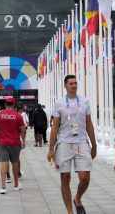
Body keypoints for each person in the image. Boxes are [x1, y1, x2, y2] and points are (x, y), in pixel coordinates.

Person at [47, 75, 97, 214]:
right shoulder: (59, 103)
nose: (74, 85)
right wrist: (51, 149)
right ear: (65, 86)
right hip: (64, 142)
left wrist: (94, 144)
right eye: (70, 83)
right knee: (65, 177)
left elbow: (89, 124)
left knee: (85, 176)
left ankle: (78, 198)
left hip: (81, 141)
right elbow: (55, 126)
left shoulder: (84, 101)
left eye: (75, 83)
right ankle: (70, 211)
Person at [0, 97, 26, 194]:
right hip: (15, 143)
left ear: (5, 104)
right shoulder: (18, 116)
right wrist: (23, 141)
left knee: (4, 163)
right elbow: (23, 130)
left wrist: (2, 130)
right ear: (14, 105)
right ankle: (16, 184)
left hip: (3, 142)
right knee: (15, 163)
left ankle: (3, 187)